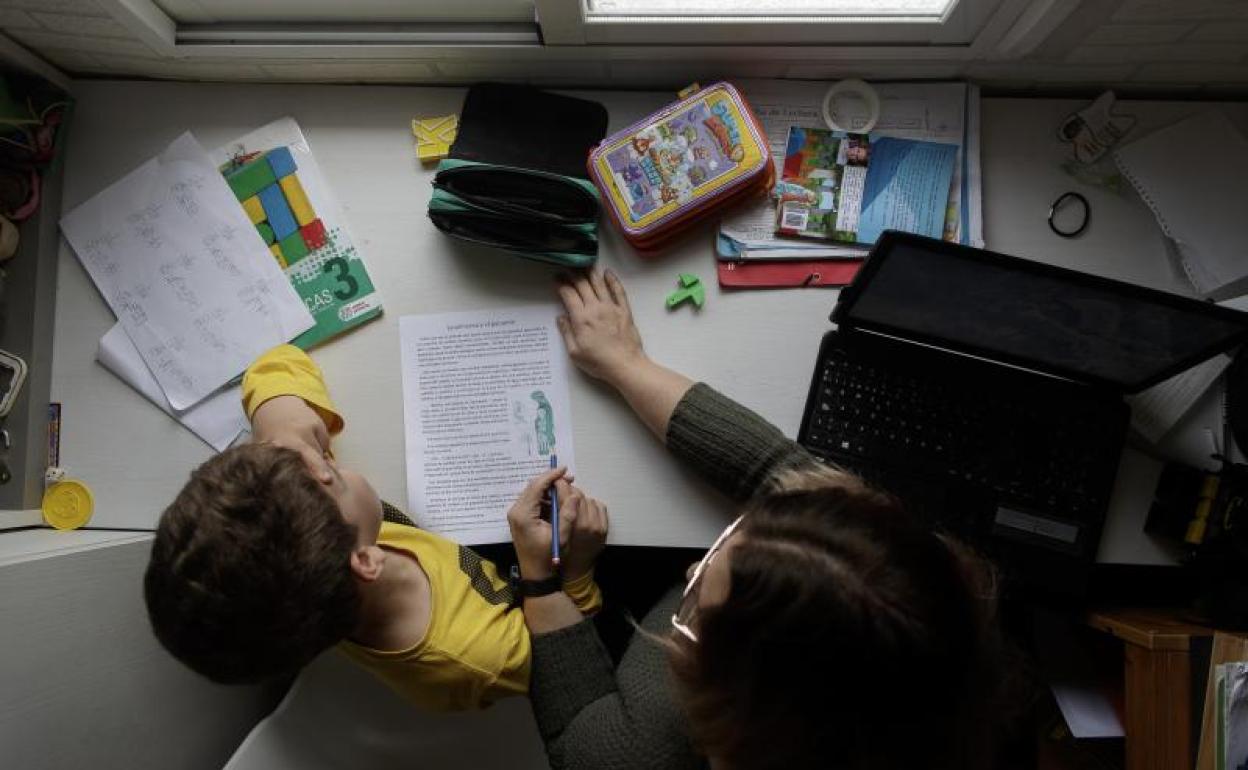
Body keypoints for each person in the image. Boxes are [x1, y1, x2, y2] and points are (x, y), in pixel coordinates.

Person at [507, 269, 1012, 770]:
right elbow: (777, 472)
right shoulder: (910, 605)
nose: (691, 571)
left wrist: (541, 582)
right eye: (731, 536)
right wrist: (624, 363)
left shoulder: (645, 749)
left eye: (700, 608)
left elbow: (578, 736)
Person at [143, 345, 603, 711]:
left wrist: (279, 421)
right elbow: (571, 670)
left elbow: (274, 359)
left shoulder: (314, 546)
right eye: (333, 473)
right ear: (366, 560)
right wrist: (571, 573)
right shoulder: (473, 657)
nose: (327, 462)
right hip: (548, 604)